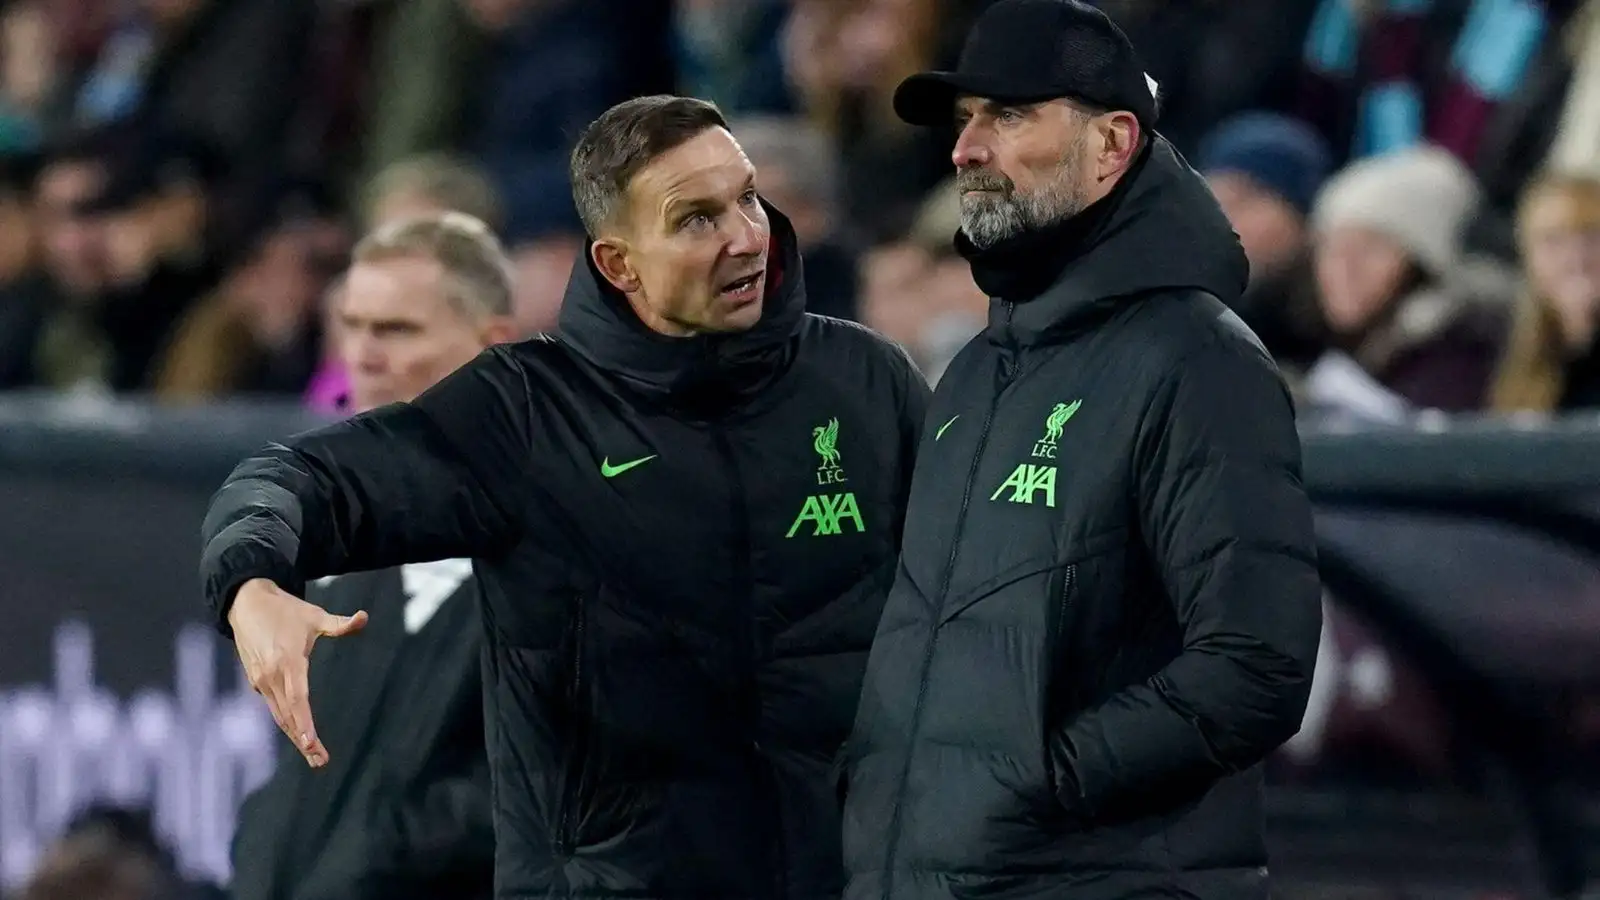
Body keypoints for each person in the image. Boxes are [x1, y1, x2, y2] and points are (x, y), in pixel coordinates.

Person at [199, 94, 928, 899]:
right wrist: (252, 583)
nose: (746, 237)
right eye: (695, 219)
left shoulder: (864, 382)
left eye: (747, 197)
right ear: (619, 263)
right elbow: (303, 479)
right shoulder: (527, 414)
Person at [838, 2, 1324, 899]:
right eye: (964, 119)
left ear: (1111, 146)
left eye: (1010, 114)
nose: (966, 149)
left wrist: (1040, 779)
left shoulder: (1196, 358)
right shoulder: (977, 371)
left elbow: (1256, 665)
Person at [225, 212, 515, 900]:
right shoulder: (339, 550)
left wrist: (374, 857)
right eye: (351, 325)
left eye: (396, 330)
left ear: (493, 345)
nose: (362, 355)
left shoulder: (552, 544)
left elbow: (546, 789)